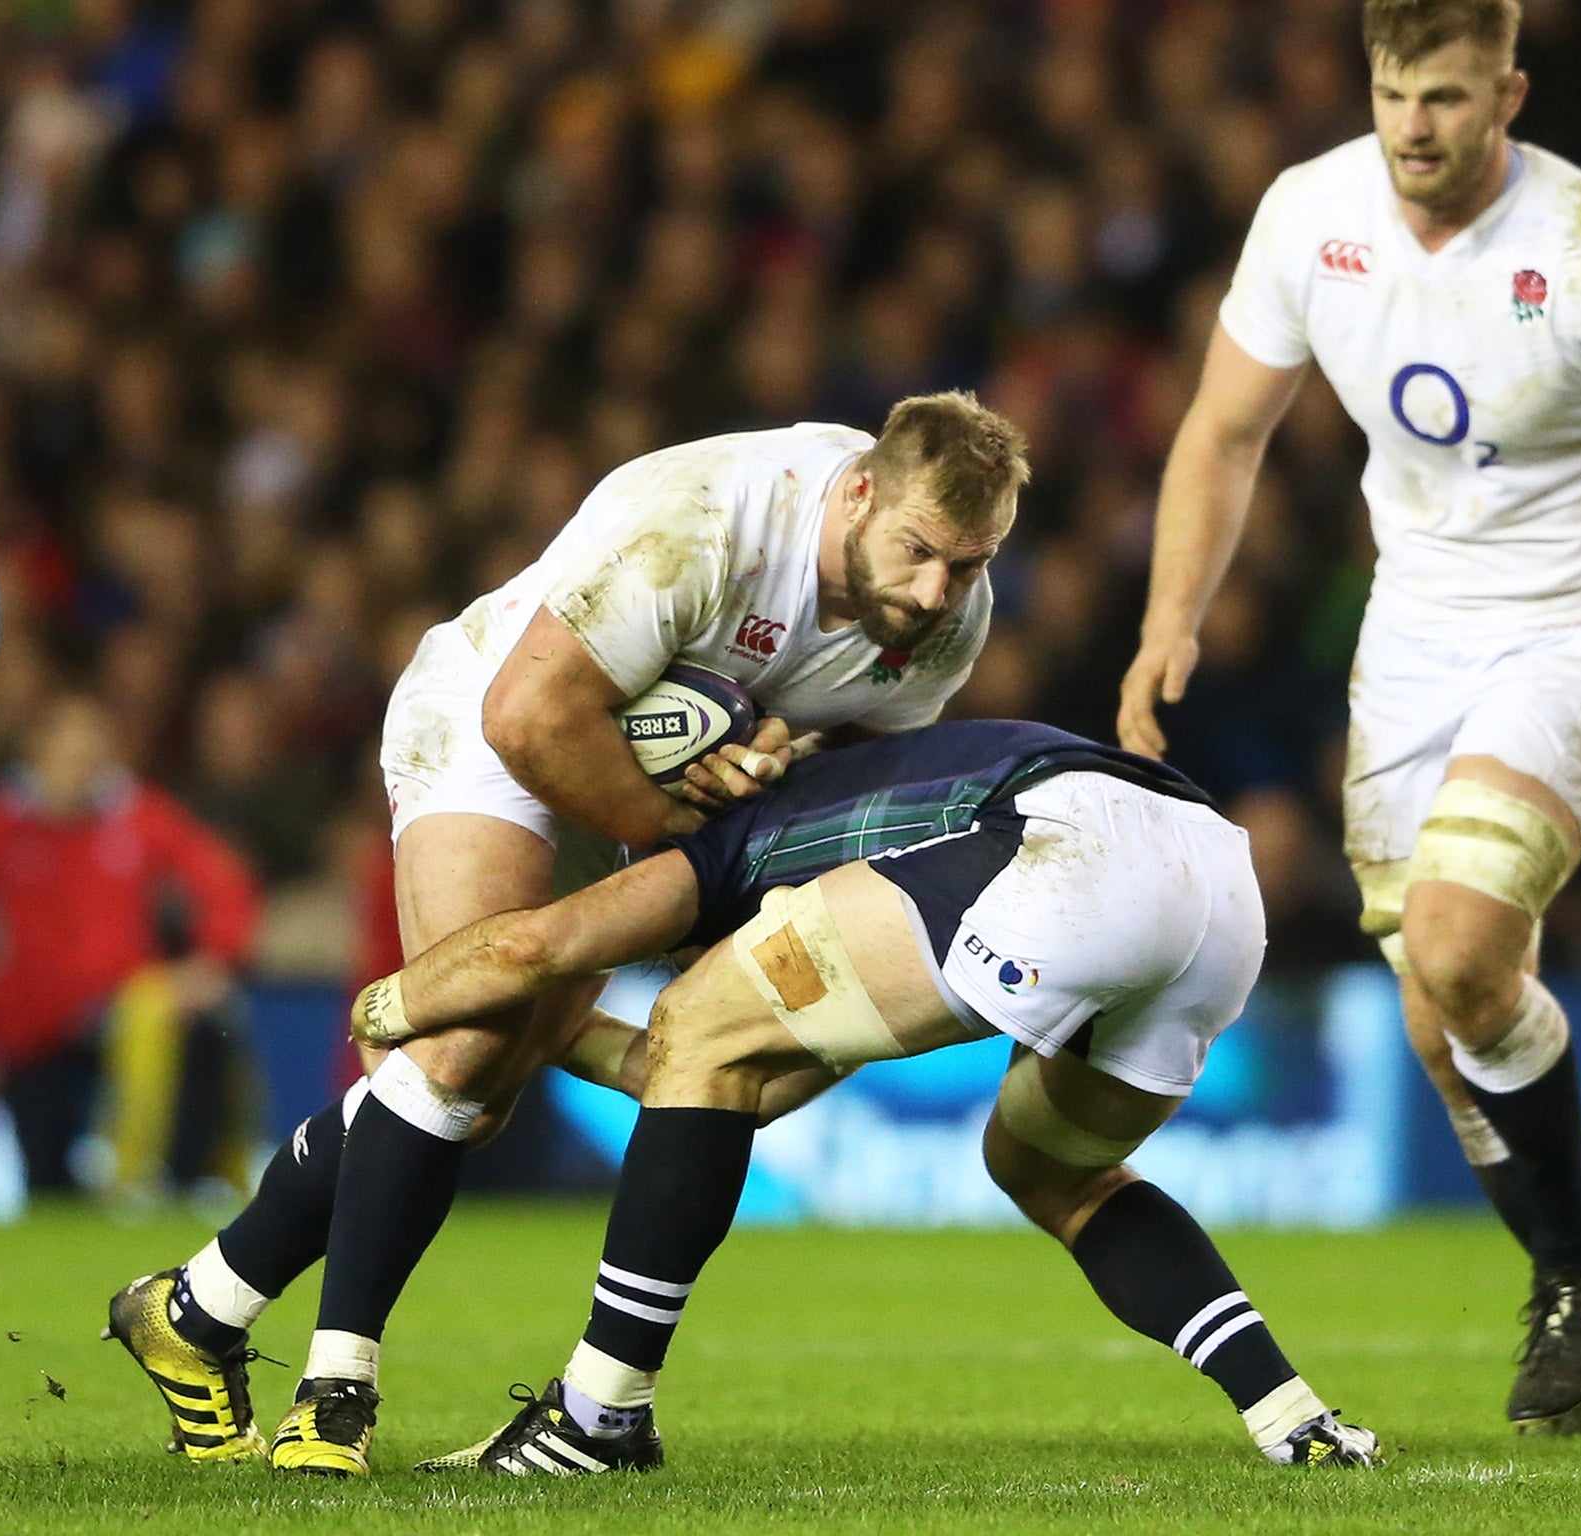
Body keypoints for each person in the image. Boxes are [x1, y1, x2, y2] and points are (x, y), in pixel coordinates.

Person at [106, 393, 1030, 1473]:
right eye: (920, 552)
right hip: (500, 722)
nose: (935, 593)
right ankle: (334, 1389)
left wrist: (761, 785)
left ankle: (196, 1311)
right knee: (464, 1044)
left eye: (967, 565)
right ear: (861, 492)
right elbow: (526, 716)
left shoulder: (945, 622)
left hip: (643, 780)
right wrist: (681, 840)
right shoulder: (704, 522)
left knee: (481, 1095)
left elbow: (835, 764)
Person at [1116, 0, 1581, 1435]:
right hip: (1412, 643)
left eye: (1444, 95)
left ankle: (1575, 1289)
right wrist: (1172, 615)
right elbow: (1224, 429)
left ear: (1510, 93)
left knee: (1461, 946)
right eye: (1391, 92)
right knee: (1441, 1010)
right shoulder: (1311, 218)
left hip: (1576, 636)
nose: (1412, 123)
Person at [344, 718, 1381, 1474]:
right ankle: (1290, 1415)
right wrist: (570, 1035)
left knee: (701, 1024)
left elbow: (536, 947)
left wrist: (389, 1010)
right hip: (1211, 882)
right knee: (1048, 1167)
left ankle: (596, 1418)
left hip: (1065, 857)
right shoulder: (860, 803)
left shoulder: (714, 843)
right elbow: (728, 1087)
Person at [0, 690, 260, 1195]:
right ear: (36, 752)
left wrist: (213, 960)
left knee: (203, 1033)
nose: (80, 764)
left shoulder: (140, 817)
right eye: (68, 750)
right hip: (32, 1042)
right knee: (49, 1187)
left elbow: (222, 886)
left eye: (90, 749)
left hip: (120, 1026)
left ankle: (184, 1185)